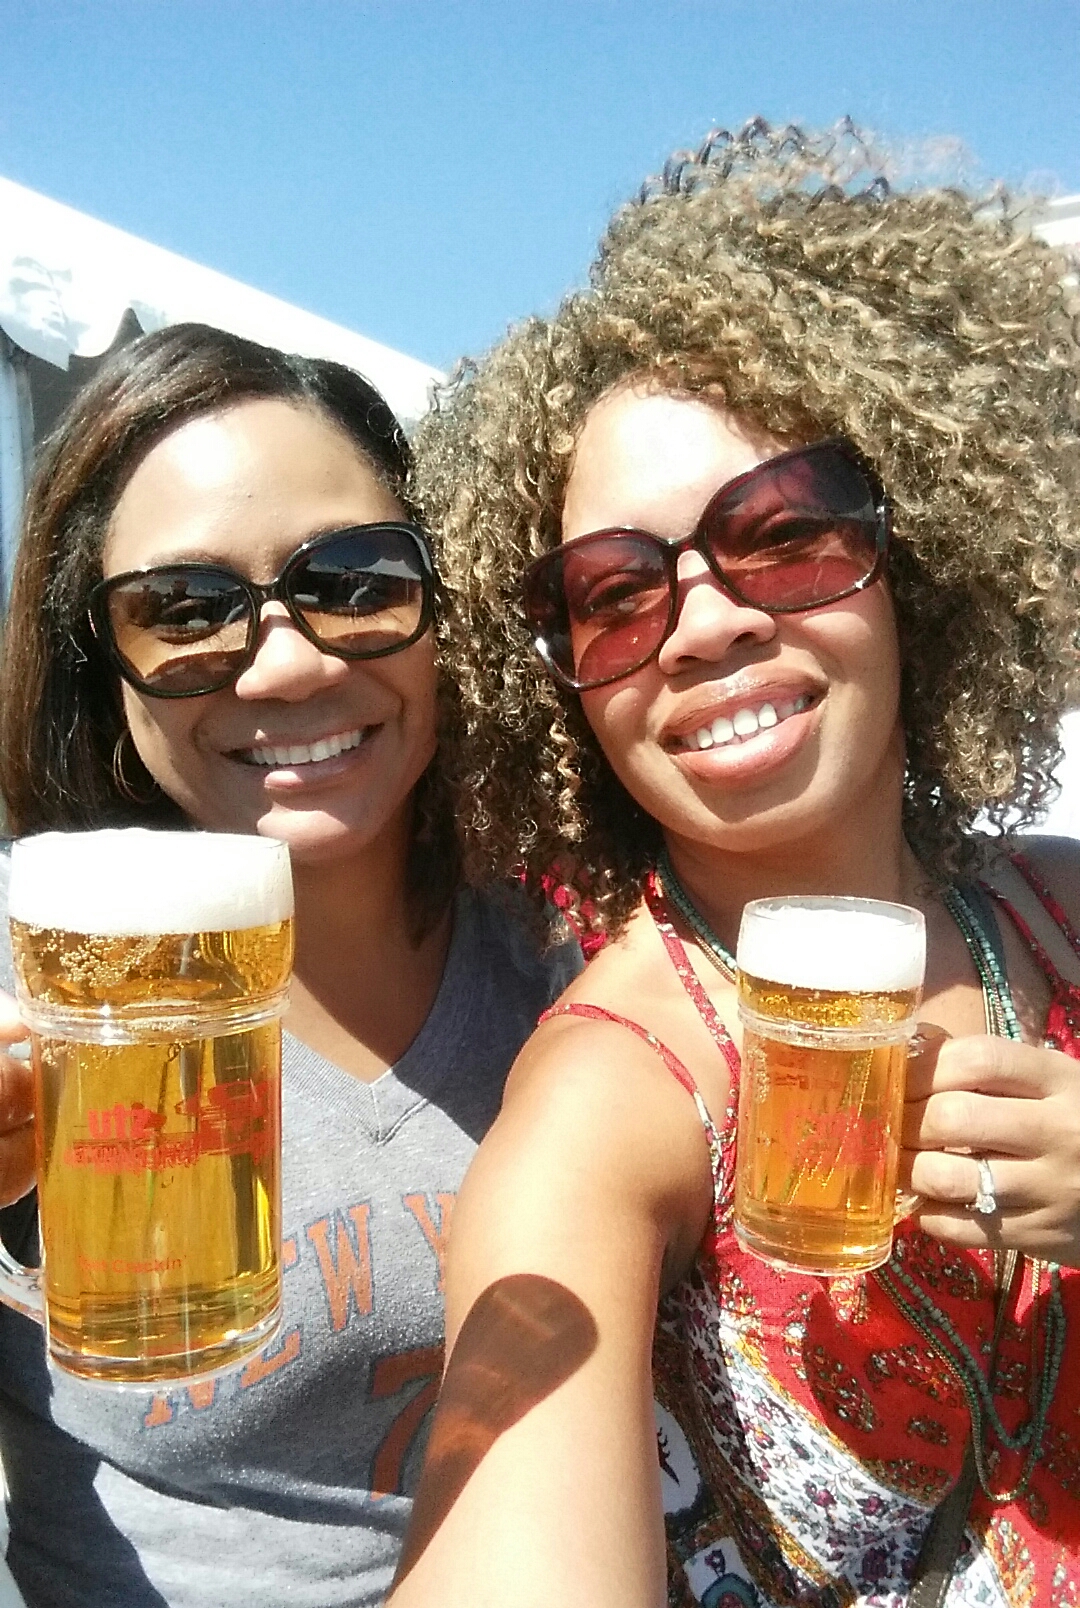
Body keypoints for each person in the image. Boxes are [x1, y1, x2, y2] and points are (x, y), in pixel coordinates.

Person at [390, 123, 1080, 1606]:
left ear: (915, 557)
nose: (704, 623)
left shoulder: (1061, 911)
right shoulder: (612, 1099)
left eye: (782, 534)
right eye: (612, 592)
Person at [0, 323, 579, 1608]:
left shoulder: (567, 950)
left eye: (356, 581)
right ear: (106, 673)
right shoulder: (34, 973)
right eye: (182, 610)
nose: (291, 661)